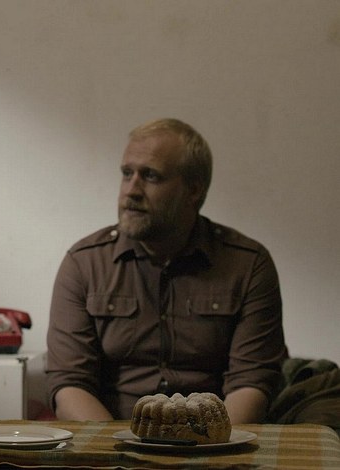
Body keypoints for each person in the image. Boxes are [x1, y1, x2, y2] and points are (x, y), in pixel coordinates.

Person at [45, 118, 288, 425]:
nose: (131, 190)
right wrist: (117, 446)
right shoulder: (84, 263)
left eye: (151, 176)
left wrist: (208, 445)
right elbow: (69, 384)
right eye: (127, 173)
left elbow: (252, 383)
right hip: (112, 435)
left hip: (216, 436)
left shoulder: (247, 265)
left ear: (193, 190)